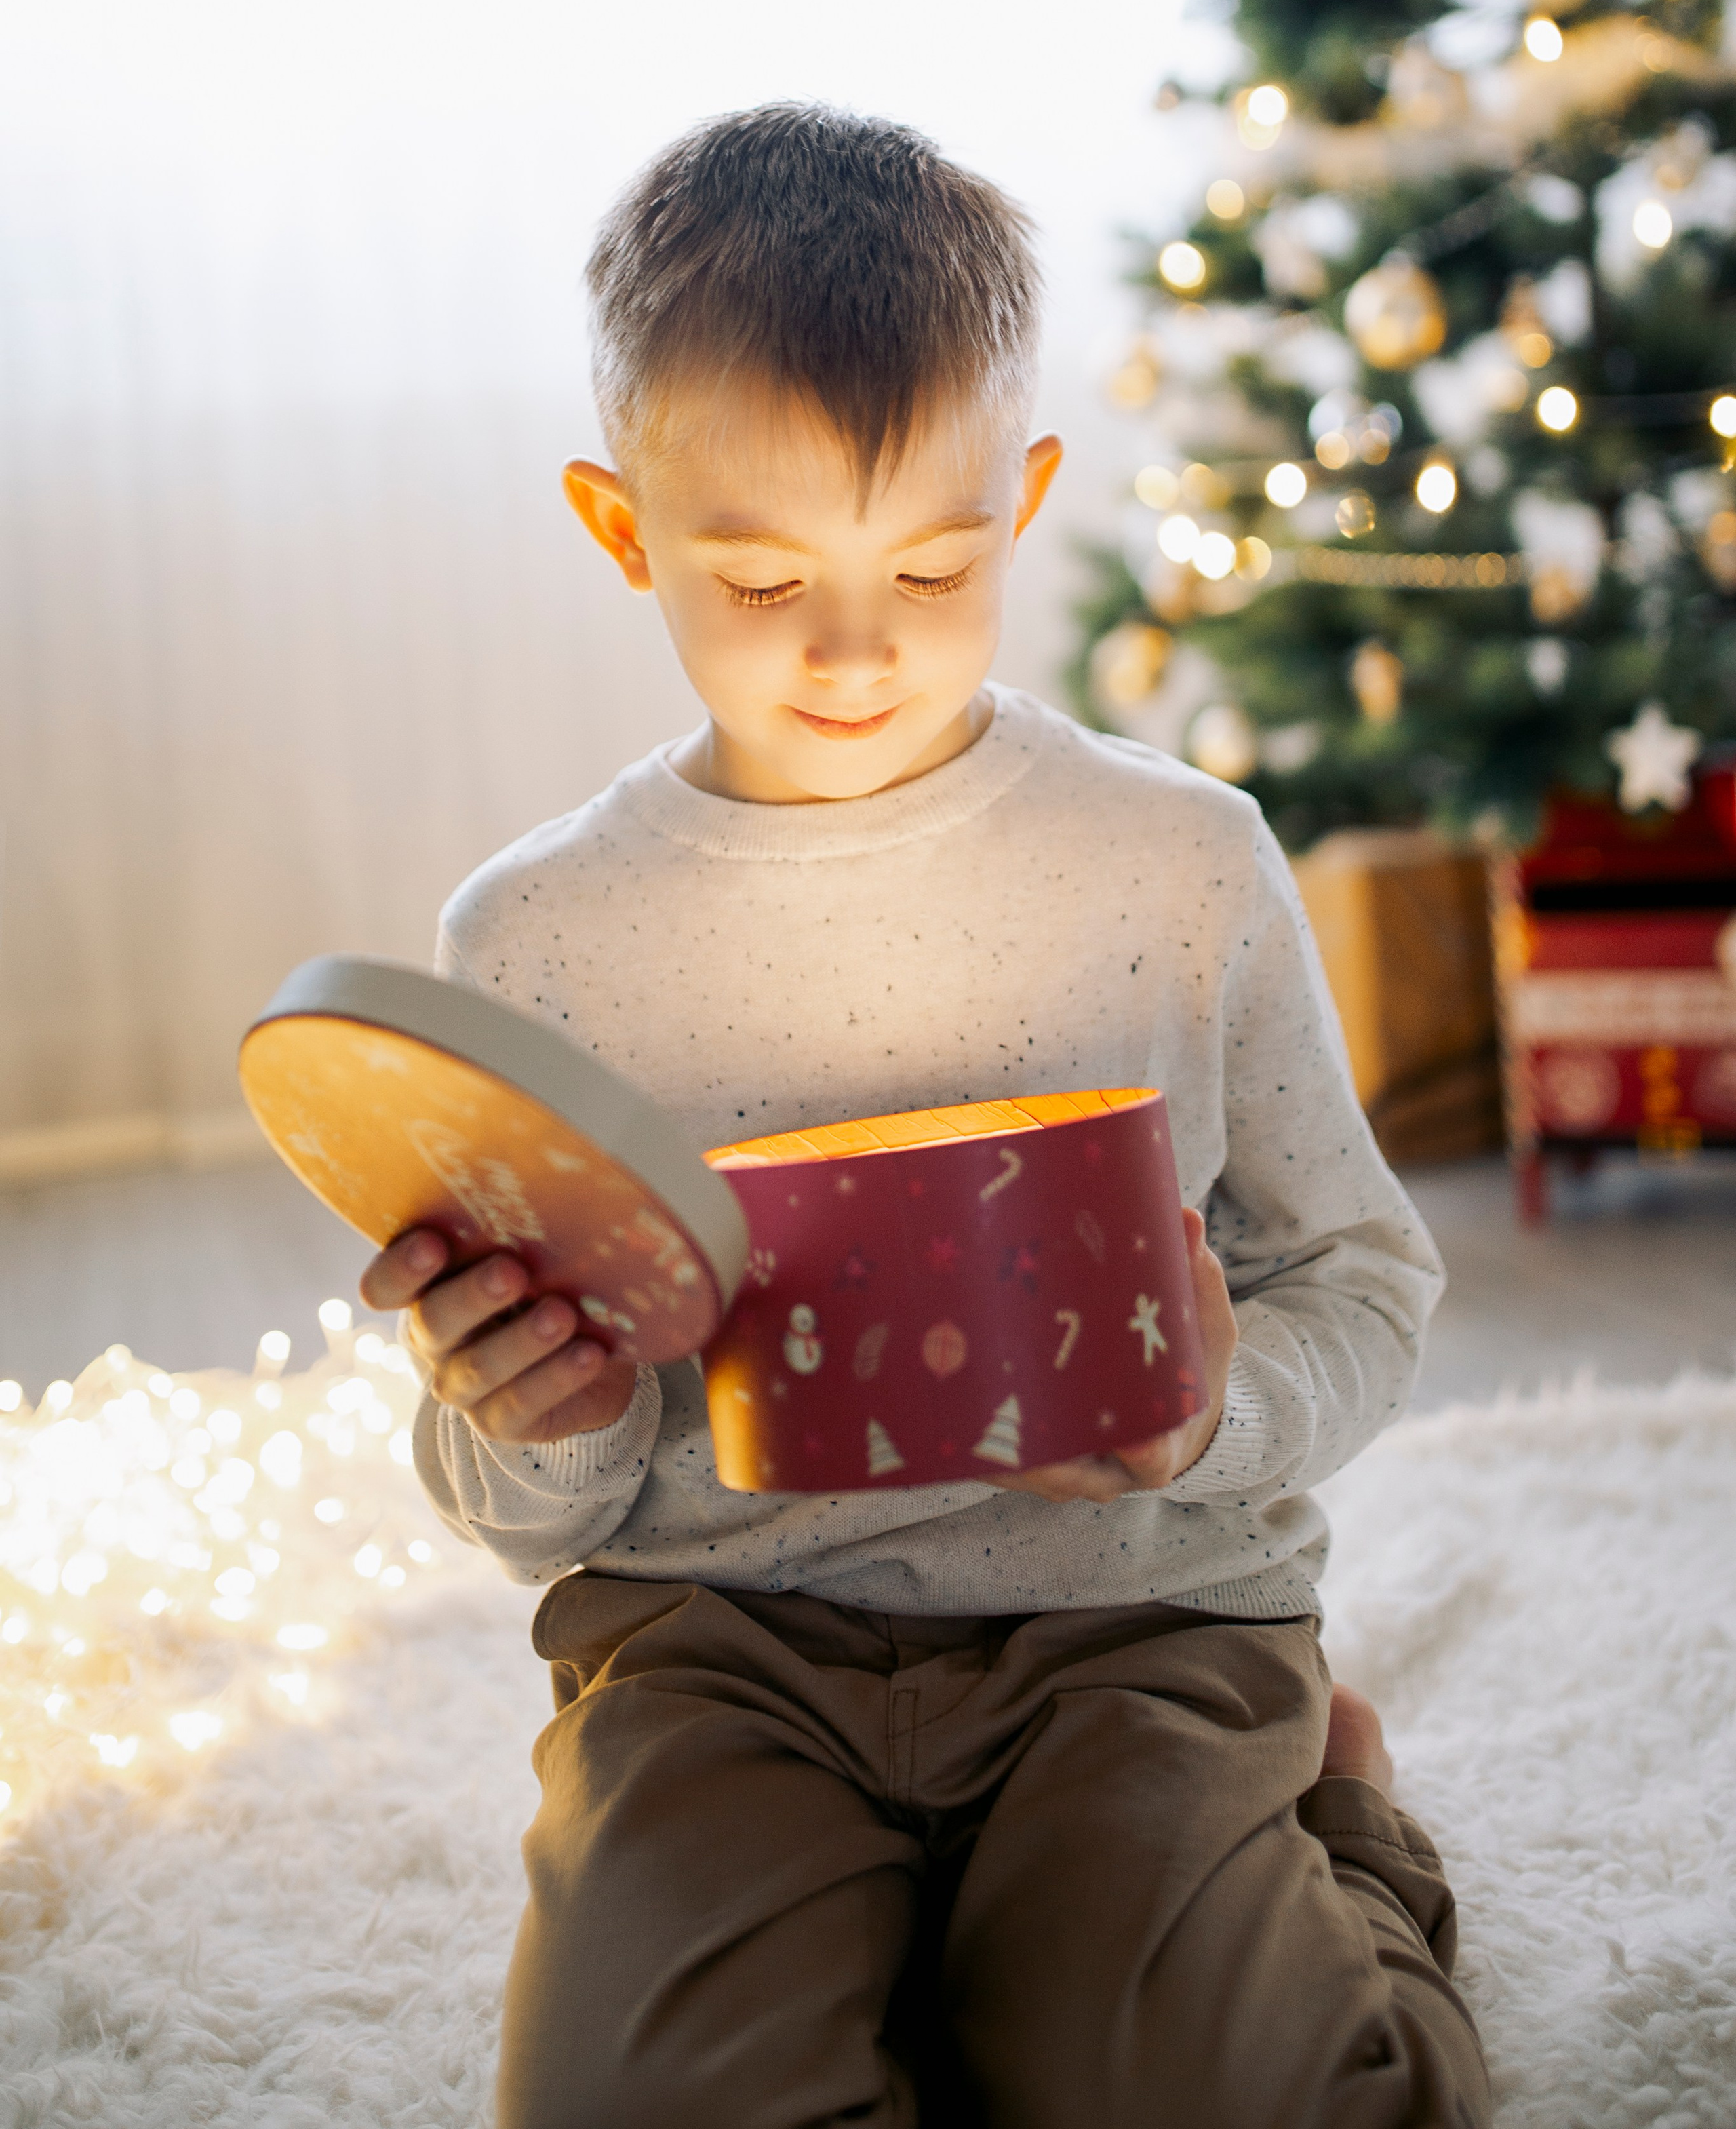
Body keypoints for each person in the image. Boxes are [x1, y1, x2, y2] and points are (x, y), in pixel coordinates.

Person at [359, 102, 1489, 2129]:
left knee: (1232, 2092)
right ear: (624, 531)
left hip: (1138, 1621)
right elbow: (529, 1490)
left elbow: (1364, 1273)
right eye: (767, 573)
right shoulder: (532, 937)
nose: (858, 648)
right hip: (722, 1648)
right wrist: (525, 1414)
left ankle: (1348, 1826)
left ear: (1027, 498)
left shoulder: (1184, 862)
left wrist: (1213, 1415)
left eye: (937, 565)